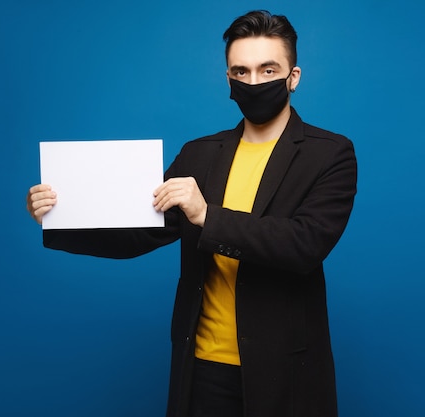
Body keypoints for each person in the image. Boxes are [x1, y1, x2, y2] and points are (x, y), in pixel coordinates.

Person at [27, 10, 356, 417]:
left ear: (294, 77)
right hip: (202, 366)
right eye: (241, 71)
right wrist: (61, 215)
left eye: (267, 69)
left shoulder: (331, 154)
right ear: (228, 80)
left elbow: (304, 245)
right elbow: (141, 232)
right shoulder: (199, 154)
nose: (253, 82)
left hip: (284, 369)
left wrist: (206, 215)